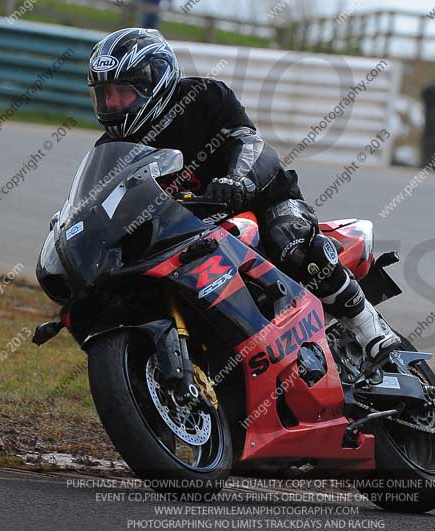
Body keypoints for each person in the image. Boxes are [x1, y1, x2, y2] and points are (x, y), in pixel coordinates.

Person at [88, 28, 401, 360]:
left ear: (154, 82)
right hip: (190, 230)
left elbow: (247, 141)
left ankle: (368, 325)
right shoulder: (111, 149)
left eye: (122, 92)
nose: (112, 104)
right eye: (104, 94)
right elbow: (104, 205)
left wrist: (236, 180)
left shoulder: (203, 96)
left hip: (258, 201)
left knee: (290, 239)